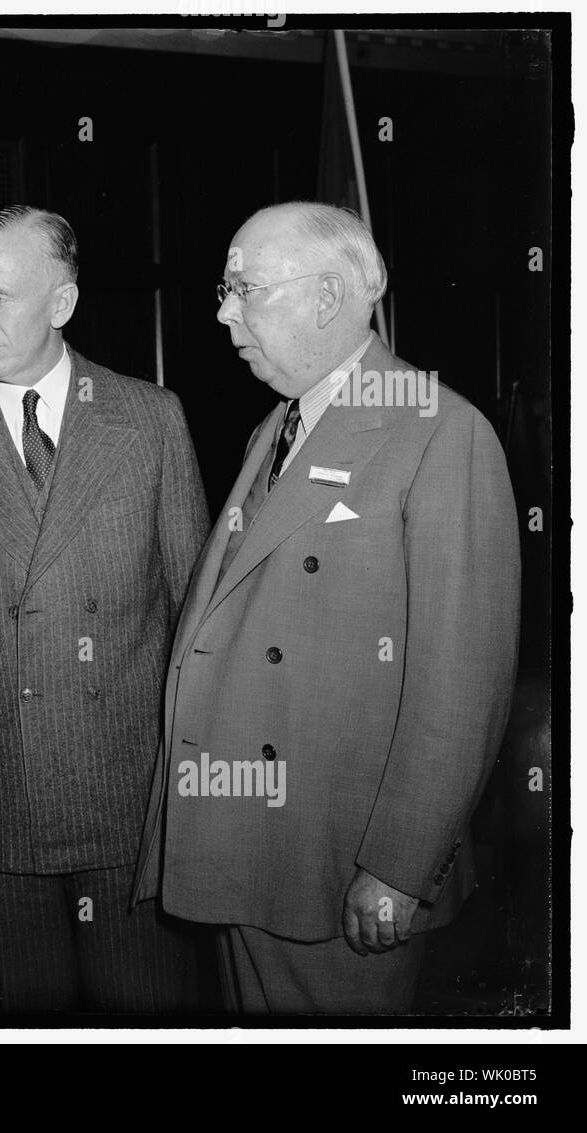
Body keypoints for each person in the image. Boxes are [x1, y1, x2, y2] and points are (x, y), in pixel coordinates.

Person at [132, 201, 521, 1014]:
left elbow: (462, 686)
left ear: (327, 298)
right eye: (223, 287)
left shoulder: (440, 432)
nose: (222, 310)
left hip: (337, 862)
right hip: (251, 842)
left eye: (243, 288)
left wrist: (398, 868)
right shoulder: (278, 424)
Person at [0, 205, 210, 1013]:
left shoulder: (150, 419)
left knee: (145, 1010)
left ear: (62, 304)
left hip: (130, 789)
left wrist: (195, 775)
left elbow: (196, 620)